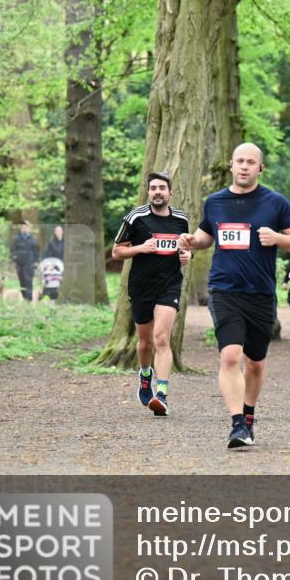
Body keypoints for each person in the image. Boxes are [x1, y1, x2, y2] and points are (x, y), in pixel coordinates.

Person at [179, 143, 290, 448]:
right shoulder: (216, 202)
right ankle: (237, 424)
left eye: (251, 162)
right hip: (224, 290)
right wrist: (191, 241)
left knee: (256, 363)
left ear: (260, 168)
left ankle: (248, 414)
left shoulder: (275, 203)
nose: (245, 166)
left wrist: (277, 238)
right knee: (231, 355)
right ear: (231, 165)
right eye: (240, 161)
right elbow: (206, 237)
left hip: (260, 293)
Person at [111, 171, 192, 417]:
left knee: (161, 339)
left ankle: (162, 393)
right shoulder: (136, 218)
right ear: (149, 192)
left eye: (162, 188)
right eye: (153, 188)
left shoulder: (181, 220)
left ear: (170, 193)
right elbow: (116, 251)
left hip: (169, 285)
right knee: (145, 343)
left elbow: (185, 250)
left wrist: (188, 256)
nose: (157, 192)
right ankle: (145, 376)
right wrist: (140, 248)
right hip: (141, 287)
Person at [10, 222, 40, 301]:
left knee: (28, 281)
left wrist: (36, 261)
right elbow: (13, 250)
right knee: (22, 281)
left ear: (29, 228)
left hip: (30, 263)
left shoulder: (33, 239)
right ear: (21, 229)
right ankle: (24, 297)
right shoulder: (16, 239)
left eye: (26, 227)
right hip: (19, 264)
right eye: (23, 227)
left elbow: (36, 251)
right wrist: (14, 257)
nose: (24, 229)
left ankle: (29, 298)